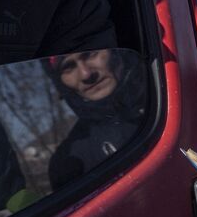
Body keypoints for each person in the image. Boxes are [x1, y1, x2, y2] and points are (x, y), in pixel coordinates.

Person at [45, 48, 147, 191]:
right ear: (60, 82)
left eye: (90, 53)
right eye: (68, 67)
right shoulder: (68, 163)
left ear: (117, 51)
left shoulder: (174, 89)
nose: (86, 74)